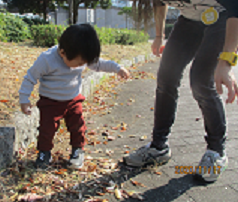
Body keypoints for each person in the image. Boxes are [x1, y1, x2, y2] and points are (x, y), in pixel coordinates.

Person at [124, 0, 238, 183]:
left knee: (201, 81)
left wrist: (226, 61)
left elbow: (235, 9)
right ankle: (158, 147)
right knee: (166, 77)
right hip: (189, 22)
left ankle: (217, 152)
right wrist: (160, 35)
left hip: (222, 18)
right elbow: (159, 2)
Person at [19, 24, 130, 170]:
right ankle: (44, 153)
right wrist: (24, 100)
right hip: (50, 102)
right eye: (79, 63)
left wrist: (117, 68)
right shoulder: (47, 60)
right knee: (47, 129)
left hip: (73, 99)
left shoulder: (80, 54)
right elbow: (30, 78)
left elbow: (99, 64)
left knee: (78, 126)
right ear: (63, 52)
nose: (82, 65)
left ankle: (78, 150)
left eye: (84, 63)